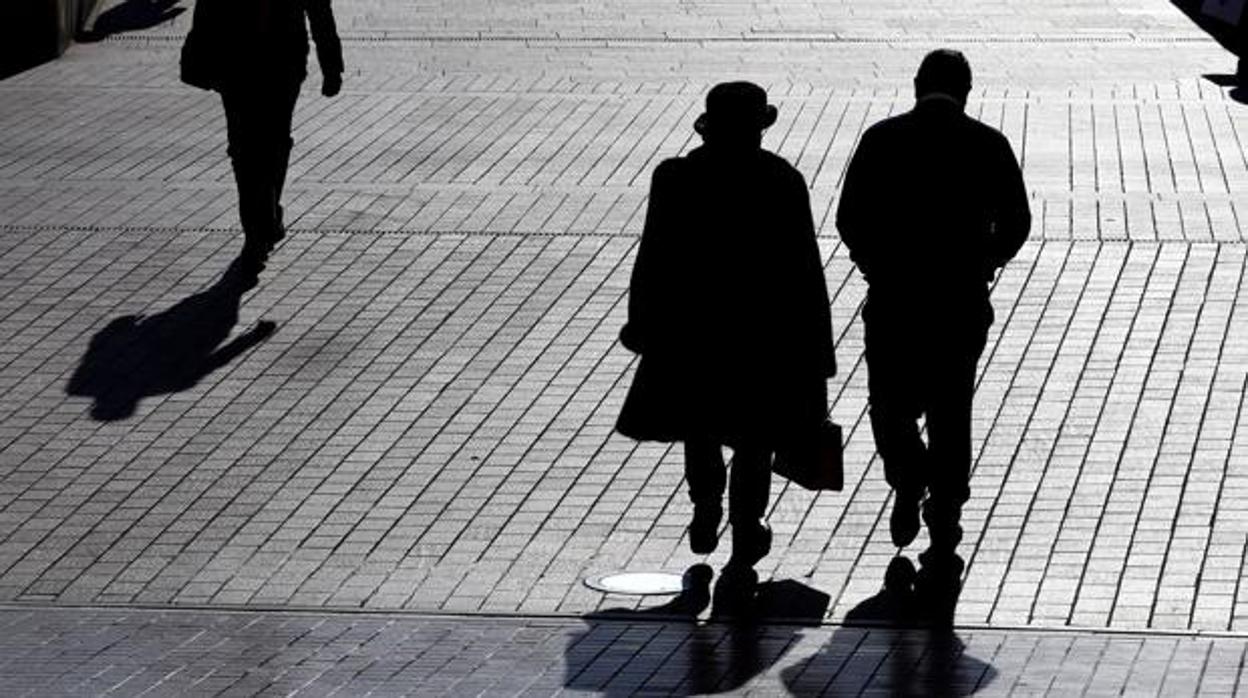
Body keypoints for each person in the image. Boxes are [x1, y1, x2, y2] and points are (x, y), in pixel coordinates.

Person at [616, 82, 836, 583]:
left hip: (693, 333)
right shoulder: (782, 181)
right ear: (759, 127)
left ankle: (705, 502)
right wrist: (816, 349)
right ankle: (746, 526)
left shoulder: (676, 178)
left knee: (702, 424)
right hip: (762, 337)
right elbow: (804, 270)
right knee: (755, 436)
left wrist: (642, 320)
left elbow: (654, 256)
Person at [836, 50, 1030, 597]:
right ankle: (945, 511)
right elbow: (1017, 219)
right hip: (959, 300)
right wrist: (985, 259)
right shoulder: (987, 143)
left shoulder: (883, 138)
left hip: (895, 297)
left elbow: (850, 216)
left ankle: (907, 475)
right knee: (951, 409)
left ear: (918, 83)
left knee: (890, 406)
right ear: (967, 89)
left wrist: (874, 261)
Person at [184, 0, 343, 268]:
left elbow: (318, 7)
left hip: (272, 63)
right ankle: (258, 228)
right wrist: (331, 66)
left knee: (264, 145)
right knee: (249, 148)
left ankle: (261, 224)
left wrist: (331, 65)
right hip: (243, 62)